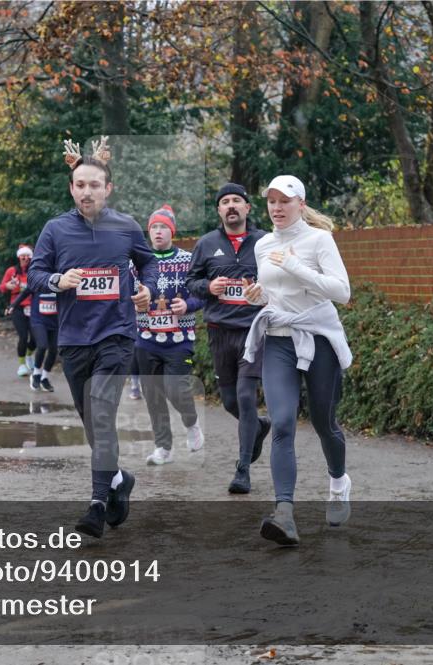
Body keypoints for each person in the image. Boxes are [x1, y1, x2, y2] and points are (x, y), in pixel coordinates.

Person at [28, 136, 156, 539]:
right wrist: (56, 280)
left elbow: (148, 263)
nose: (87, 191)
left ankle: (98, 502)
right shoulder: (55, 230)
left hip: (116, 335)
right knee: (92, 422)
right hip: (73, 339)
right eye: (80, 185)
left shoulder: (126, 227)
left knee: (101, 415)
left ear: (108, 188)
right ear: (72, 188)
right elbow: (34, 275)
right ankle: (119, 479)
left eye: (94, 185)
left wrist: (147, 289)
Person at [243, 175, 353, 547]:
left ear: (301, 204)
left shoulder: (319, 240)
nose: (276, 207)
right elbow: (273, 296)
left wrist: (296, 267)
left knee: (324, 422)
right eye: (271, 201)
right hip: (278, 341)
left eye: (284, 201)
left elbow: (342, 291)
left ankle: (338, 480)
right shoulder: (262, 245)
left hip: (317, 340)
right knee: (283, 423)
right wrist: (256, 298)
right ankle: (284, 514)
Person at [185, 182, 271, 494]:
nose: (231, 206)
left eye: (237, 200)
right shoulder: (207, 244)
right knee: (231, 401)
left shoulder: (264, 241)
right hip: (219, 333)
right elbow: (191, 281)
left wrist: (264, 290)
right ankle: (259, 427)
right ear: (219, 210)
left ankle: (243, 469)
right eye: (225, 202)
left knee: (247, 397)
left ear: (248, 208)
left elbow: (282, 278)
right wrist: (208, 288)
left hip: (254, 330)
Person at [134, 205, 205, 465]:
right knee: (152, 394)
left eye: (163, 227)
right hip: (145, 337)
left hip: (179, 338)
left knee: (176, 388)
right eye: (154, 227)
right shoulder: (138, 261)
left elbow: (203, 293)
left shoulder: (187, 260)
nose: (158, 232)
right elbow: (124, 291)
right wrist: (132, 302)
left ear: (172, 231)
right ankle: (163, 447)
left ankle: (192, 422)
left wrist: (189, 305)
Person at [10, 281, 58, 392]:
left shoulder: (60, 277)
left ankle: (45, 377)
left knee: (54, 350)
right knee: (42, 345)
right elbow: (24, 293)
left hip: (55, 321)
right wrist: (13, 305)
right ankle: (36, 374)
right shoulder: (38, 279)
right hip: (38, 320)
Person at [0, 245, 37, 377]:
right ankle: (22, 365)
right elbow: (2, 287)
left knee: (35, 337)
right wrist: (8, 286)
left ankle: (29, 355)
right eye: (23, 255)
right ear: (18, 256)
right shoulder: (12, 271)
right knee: (22, 336)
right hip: (17, 307)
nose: (25, 258)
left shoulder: (35, 270)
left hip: (34, 308)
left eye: (28, 255)